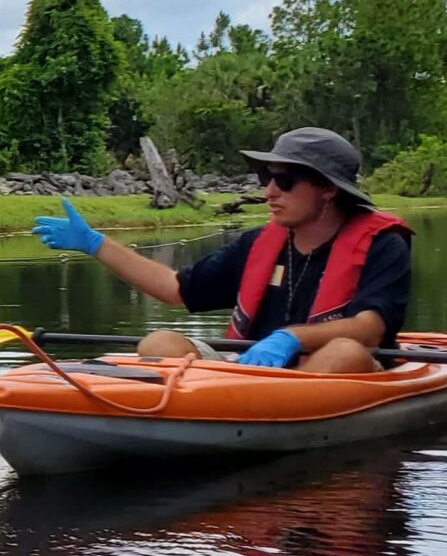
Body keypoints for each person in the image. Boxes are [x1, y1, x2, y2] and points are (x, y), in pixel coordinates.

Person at [30, 127, 411, 372]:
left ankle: (271, 423)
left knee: (343, 352)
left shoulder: (383, 245)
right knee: (159, 343)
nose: (269, 192)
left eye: (285, 180)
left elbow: (370, 329)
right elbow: (177, 288)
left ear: (329, 189)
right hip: (249, 369)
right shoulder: (259, 244)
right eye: (266, 177)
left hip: (335, 373)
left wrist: (292, 337)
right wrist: (98, 244)